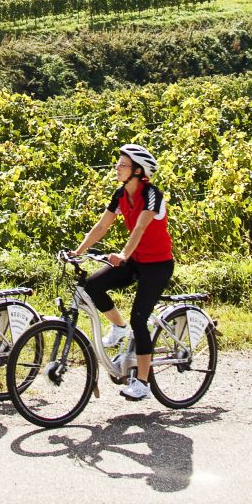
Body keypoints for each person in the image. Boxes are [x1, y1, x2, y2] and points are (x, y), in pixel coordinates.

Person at [68, 143, 174, 401]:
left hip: (157, 264)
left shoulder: (152, 195)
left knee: (140, 319)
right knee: (91, 286)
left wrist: (123, 255)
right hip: (136, 260)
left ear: (138, 171)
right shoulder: (120, 194)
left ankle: (143, 382)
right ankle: (118, 327)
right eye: (118, 164)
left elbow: (139, 228)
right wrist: (78, 251)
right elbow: (103, 225)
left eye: (123, 165)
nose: (117, 168)